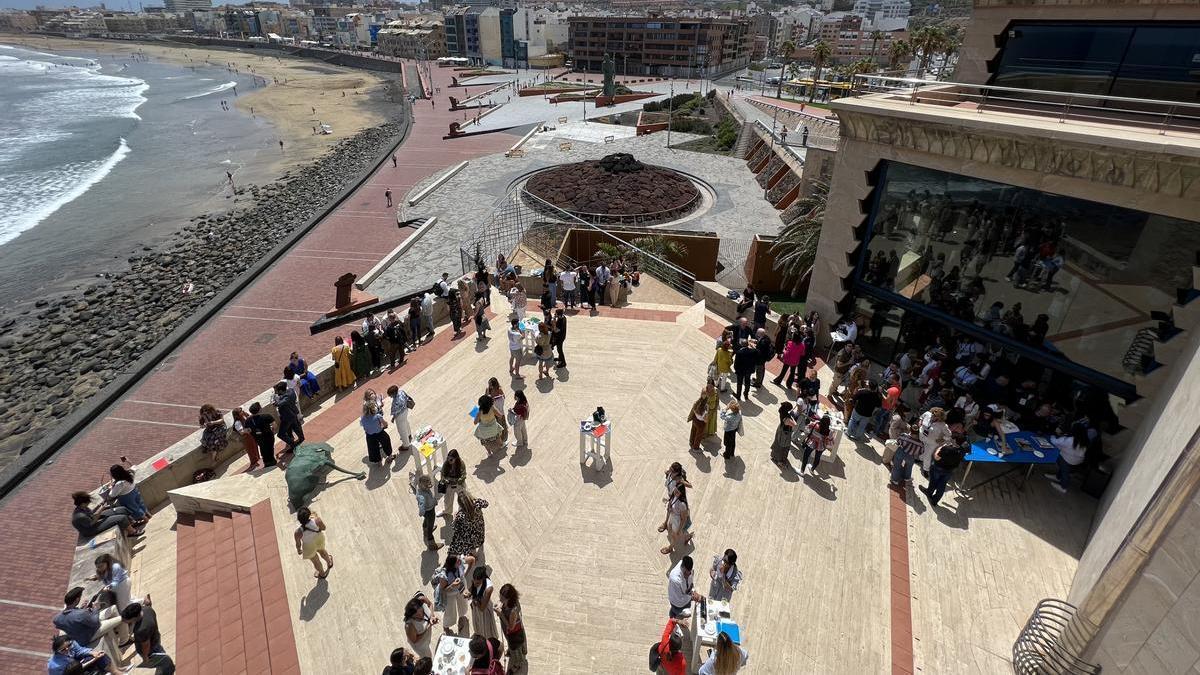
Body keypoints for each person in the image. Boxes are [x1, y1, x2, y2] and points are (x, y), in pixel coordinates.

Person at [54, 587, 126, 648]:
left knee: (113, 608)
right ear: (76, 600)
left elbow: (72, 619)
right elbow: (95, 623)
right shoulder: (80, 614)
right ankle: (124, 640)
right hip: (90, 635)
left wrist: (81, 609)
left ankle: (119, 631)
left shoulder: (57, 618)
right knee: (122, 617)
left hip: (79, 636)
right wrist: (96, 608)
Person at [72, 491, 142, 540]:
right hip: (91, 529)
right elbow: (92, 522)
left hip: (92, 520)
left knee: (122, 509)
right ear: (83, 503)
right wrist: (102, 509)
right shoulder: (80, 516)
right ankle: (132, 532)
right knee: (121, 518)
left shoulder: (83, 507)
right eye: (88, 502)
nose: (89, 503)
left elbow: (92, 514)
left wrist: (101, 507)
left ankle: (131, 523)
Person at [47, 635, 128, 675]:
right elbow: (73, 670)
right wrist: (94, 659)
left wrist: (93, 653)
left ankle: (116, 671)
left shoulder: (71, 644)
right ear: (56, 651)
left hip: (78, 664)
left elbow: (80, 651)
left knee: (100, 655)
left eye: (69, 646)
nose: (67, 649)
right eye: (63, 649)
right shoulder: (54, 665)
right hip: (73, 673)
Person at [438, 553, 474, 635]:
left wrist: (465, 575)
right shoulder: (444, 575)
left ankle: (461, 618)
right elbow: (443, 590)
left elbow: (472, 559)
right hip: (450, 594)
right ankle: (446, 626)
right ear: (452, 564)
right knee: (450, 612)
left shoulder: (460, 562)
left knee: (463, 605)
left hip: (461, 590)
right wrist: (452, 585)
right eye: (457, 561)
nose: (460, 561)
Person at [921, 439, 965, 506]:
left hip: (938, 468)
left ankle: (929, 492)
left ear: (955, 441)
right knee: (942, 485)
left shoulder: (947, 448)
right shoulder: (962, 452)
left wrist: (939, 448)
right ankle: (935, 500)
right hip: (949, 471)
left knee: (933, 481)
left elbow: (936, 457)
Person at [495, 584, 527, 675]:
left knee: (515, 648)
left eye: (503, 598)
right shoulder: (509, 602)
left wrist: (501, 614)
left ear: (509, 598)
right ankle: (512, 651)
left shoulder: (513, 610)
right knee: (511, 645)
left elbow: (511, 626)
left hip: (514, 633)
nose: (500, 599)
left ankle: (518, 664)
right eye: (500, 596)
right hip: (508, 632)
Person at [293, 507, 333, 579]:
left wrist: (299, 550)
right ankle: (329, 562)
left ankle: (322, 573)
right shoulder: (317, 520)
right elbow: (324, 528)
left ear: (299, 520)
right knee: (323, 551)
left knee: (316, 561)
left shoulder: (298, 532)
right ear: (309, 514)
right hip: (319, 539)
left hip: (308, 546)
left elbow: (298, 543)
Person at [449, 489, 489, 558]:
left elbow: (454, 527)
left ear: (460, 504)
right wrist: (476, 499)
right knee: (480, 538)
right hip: (479, 528)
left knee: (472, 547)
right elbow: (486, 504)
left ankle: (475, 556)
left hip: (469, 535)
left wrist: (455, 517)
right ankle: (480, 544)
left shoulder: (461, 515)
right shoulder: (477, 504)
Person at [1046, 427, 1087, 494]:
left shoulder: (1071, 439)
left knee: (1065, 471)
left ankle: (1063, 487)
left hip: (1068, 460)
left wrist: (1053, 435)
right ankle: (1058, 477)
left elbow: (1054, 441)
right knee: (1065, 467)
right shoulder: (1085, 441)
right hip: (1077, 462)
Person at [466, 567, 499, 641]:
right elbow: (471, 590)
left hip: (484, 609)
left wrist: (475, 602)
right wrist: (468, 593)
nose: (475, 584)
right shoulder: (475, 581)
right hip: (476, 606)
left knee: (486, 627)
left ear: (483, 579)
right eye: (474, 581)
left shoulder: (488, 589)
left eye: (477, 583)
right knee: (478, 623)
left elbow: (482, 608)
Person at [274, 381, 305, 456]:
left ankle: (293, 445)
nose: (276, 392)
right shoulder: (291, 391)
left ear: (281, 390)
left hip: (287, 417)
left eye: (277, 391)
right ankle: (301, 438)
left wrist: (276, 401)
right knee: (296, 427)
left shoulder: (285, 398)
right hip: (293, 413)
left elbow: (278, 404)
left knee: (281, 434)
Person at [889, 422, 924, 489]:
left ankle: (895, 480)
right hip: (911, 455)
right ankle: (907, 477)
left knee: (897, 466)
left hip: (901, 452)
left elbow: (898, 441)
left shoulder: (904, 436)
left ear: (910, 430)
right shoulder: (920, 443)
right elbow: (921, 452)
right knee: (909, 466)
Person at [918, 407, 952, 474]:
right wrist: (920, 423)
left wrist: (942, 439)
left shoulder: (943, 425)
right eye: (933, 413)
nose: (933, 416)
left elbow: (949, 435)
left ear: (940, 417)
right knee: (922, 450)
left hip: (932, 442)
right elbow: (921, 418)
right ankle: (920, 459)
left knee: (928, 455)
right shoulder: (927, 414)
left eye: (935, 416)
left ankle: (926, 469)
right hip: (922, 437)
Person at [404, 593, 439, 659]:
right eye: (417, 615)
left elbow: (430, 604)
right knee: (427, 656)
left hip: (427, 635)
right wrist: (429, 626)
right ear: (411, 615)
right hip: (420, 644)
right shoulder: (409, 625)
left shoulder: (421, 599)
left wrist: (432, 616)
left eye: (421, 611)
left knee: (428, 646)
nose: (421, 615)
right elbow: (415, 640)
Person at [662, 483, 691, 555]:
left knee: (675, 536)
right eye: (676, 490)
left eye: (678, 492)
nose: (676, 492)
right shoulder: (674, 495)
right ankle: (687, 537)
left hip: (677, 520)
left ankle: (670, 548)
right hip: (672, 516)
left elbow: (683, 519)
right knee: (670, 528)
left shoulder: (682, 504)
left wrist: (679, 529)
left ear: (682, 493)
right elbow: (671, 502)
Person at [247, 402, 277, 468]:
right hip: (268, 436)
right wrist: (272, 430)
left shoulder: (248, 420)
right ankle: (272, 461)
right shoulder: (267, 416)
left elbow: (248, 430)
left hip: (258, 438)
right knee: (270, 448)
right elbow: (274, 425)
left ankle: (266, 462)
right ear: (259, 409)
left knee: (262, 448)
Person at [441, 449, 467, 519]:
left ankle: (461, 511)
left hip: (458, 483)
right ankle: (447, 511)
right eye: (448, 458)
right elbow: (443, 474)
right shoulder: (446, 463)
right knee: (447, 499)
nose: (449, 461)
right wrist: (446, 480)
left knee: (462, 498)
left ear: (456, 458)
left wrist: (458, 480)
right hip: (449, 484)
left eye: (451, 459)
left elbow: (464, 474)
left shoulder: (461, 463)